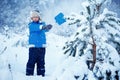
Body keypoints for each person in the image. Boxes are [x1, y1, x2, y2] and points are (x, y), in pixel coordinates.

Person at [26, 10, 52, 76]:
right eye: (33, 17)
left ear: (39, 17)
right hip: (33, 47)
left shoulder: (43, 24)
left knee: (41, 61)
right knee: (31, 61)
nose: (35, 18)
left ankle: (41, 74)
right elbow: (37, 28)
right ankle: (29, 73)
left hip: (42, 47)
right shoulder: (31, 25)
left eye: (36, 17)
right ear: (31, 18)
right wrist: (42, 27)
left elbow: (46, 29)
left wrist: (48, 27)